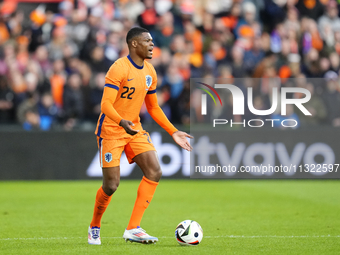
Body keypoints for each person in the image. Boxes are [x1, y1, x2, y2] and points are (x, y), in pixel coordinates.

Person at [88, 27, 193, 245]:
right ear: (134, 44)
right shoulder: (119, 68)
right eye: (147, 41)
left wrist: (173, 131)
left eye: (152, 41)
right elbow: (105, 104)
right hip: (112, 129)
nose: (152, 44)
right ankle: (95, 225)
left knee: (154, 171)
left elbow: (153, 108)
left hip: (133, 129)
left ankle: (133, 228)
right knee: (111, 186)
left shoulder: (150, 72)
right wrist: (121, 121)